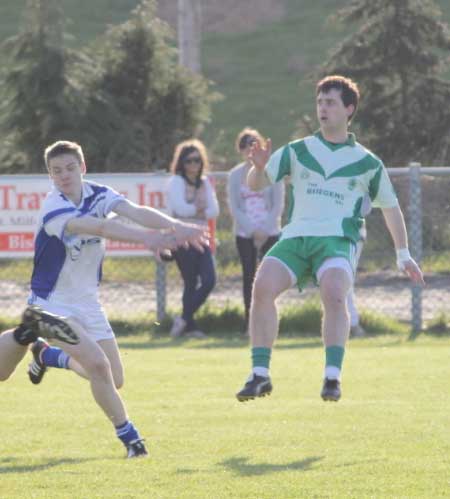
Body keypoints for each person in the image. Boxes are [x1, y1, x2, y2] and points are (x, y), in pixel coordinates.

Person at [235, 75, 424, 403]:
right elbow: (255, 185)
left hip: (338, 239)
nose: (323, 108)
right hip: (297, 236)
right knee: (262, 286)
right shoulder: (298, 150)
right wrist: (259, 168)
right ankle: (260, 374)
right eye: (320, 102)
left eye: (331, 102)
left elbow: (391, 209)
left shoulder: (367, 162)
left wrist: (403, 254)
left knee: (335, 293)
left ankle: (332, 377)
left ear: (349, 109)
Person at [17, 140, 207, 459]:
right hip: (50, 305)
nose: (64, 175)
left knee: (113, 379)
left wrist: (177, 226)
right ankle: (131, 440)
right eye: (56, 171)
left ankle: (47, 356)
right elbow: (101, 227)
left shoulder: (98, 194)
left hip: (88, 303)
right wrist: (148, 238)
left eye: (70, 168)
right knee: (98, 366)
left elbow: (135, 212)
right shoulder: (54, 207)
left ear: (83, 167)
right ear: (50, 176)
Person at [227, 128, 284, 334]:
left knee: (270, 278)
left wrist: (265, 230)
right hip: (245, 233)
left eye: (254, 145)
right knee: (249, 276)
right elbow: (234, 206)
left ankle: (270, 321)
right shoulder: (235, 175)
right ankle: (249, 323)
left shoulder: (274, 172)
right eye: (245, 146)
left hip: (270, 232)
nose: (249, 151)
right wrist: (252, 230)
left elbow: (278, 204)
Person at [167, 139, 219, 338]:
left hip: (202, 237)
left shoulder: (205, 182)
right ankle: (191, 327)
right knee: (190, 281)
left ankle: (183, 318)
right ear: (181, 163)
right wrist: (199, 210)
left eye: (197, 160)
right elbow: (179, 209)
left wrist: (196, 211)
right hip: (182, 238)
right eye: (189, 161)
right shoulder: (176, 182)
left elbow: (215, 210)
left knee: (209, 280)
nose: (193, 165)